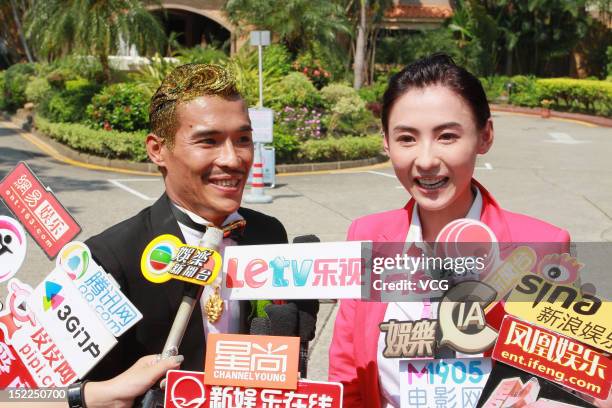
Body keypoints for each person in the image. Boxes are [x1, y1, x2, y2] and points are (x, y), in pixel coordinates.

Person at [328, 54, 571, 408]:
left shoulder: (543, 246)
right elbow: (348, 377)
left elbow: (561, 380)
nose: (426, 159)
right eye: (407, 138)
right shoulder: (366, 237)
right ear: (386, 142)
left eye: (446, 136)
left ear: (484, 136)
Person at [83, 63, 315, 383]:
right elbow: (72, 389)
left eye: (244, 139)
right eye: (208, 141)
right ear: (158, 150)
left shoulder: (268, 233)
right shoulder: (109, 258)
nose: (233, 160)